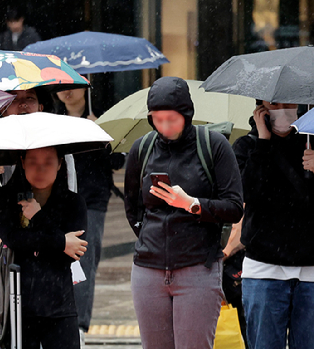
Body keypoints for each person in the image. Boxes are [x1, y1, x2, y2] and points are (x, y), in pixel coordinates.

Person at [124, 77, 244, 349]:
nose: (164, 126)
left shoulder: (213, 145)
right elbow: (133, 208)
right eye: (157, 119)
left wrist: (192, 203)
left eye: (172, 119)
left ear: (187, 114)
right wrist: (148, 236)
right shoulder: (142, 148)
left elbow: (234, 207)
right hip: (148, 269)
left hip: (198, 268)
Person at [0, 146, 88, 349]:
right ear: (22, 161)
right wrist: (61, 242)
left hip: (60, 304)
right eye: (33, 161)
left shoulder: (73, 203)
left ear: (60, 163)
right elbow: (15, 240)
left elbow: (74, 253)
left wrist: (38, 217)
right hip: (17, 305)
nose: (40, 168)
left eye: (48, 162)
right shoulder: (5, 198)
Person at [237, 101, 314, 349]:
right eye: (274, 103)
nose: (281, 108)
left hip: (311, 268)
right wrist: (262, 141)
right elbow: (246, 193)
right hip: (263, 268)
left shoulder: (311, 141)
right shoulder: (246, 146)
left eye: (287, 102)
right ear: (261, 108)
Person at [0, 88, 77, 251]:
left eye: (30, 98)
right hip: (7, 242)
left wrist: (60, 235)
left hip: (51, 238)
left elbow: (70, 195)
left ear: (40, 107)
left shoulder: (57, 145)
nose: (23, 104)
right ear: (2, 109)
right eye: (14, 99)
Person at [55, 87, 114, 338]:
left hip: (91, 200)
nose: (66, 92)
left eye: (72, 86)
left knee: (84, 262)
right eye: (61, 88)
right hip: (59, 200)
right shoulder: (53, 120)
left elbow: (118, 161)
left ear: (86, 86)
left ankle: (78, 327)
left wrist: (99, 132)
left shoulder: (101, 118)